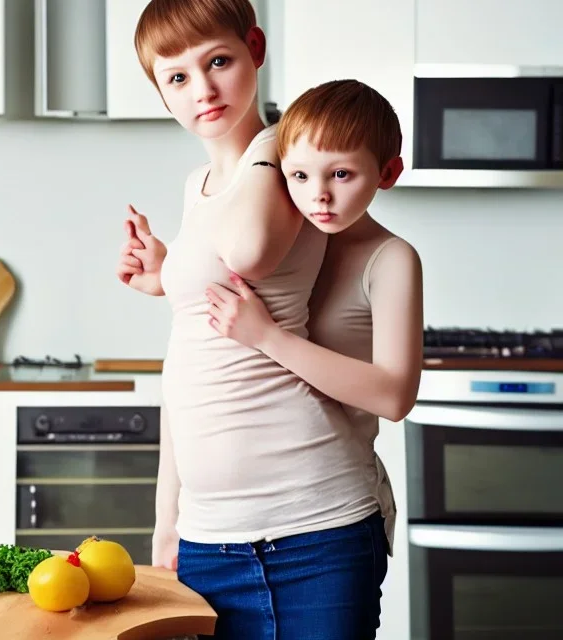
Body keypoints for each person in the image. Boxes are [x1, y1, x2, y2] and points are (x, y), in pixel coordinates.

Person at [116, 2, 410, 637]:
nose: (204, 89)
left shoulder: (285, 160)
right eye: (178, 77)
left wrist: (263, 144)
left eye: (218, 61)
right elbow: (194, 361)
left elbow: (248, 253)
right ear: (160, 91)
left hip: (312, 521)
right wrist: (166, 519)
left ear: (255, 47)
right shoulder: (200, 182)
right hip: (209, 532)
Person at [206, 76, 424, 573]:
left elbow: (394, 397)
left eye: (341, 174)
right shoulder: (275, 241)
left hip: (333, 513)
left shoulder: (391, 259)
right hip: (239, 517)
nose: (318, 196)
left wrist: (267, 337)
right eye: (299, 176)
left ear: (388, 172)